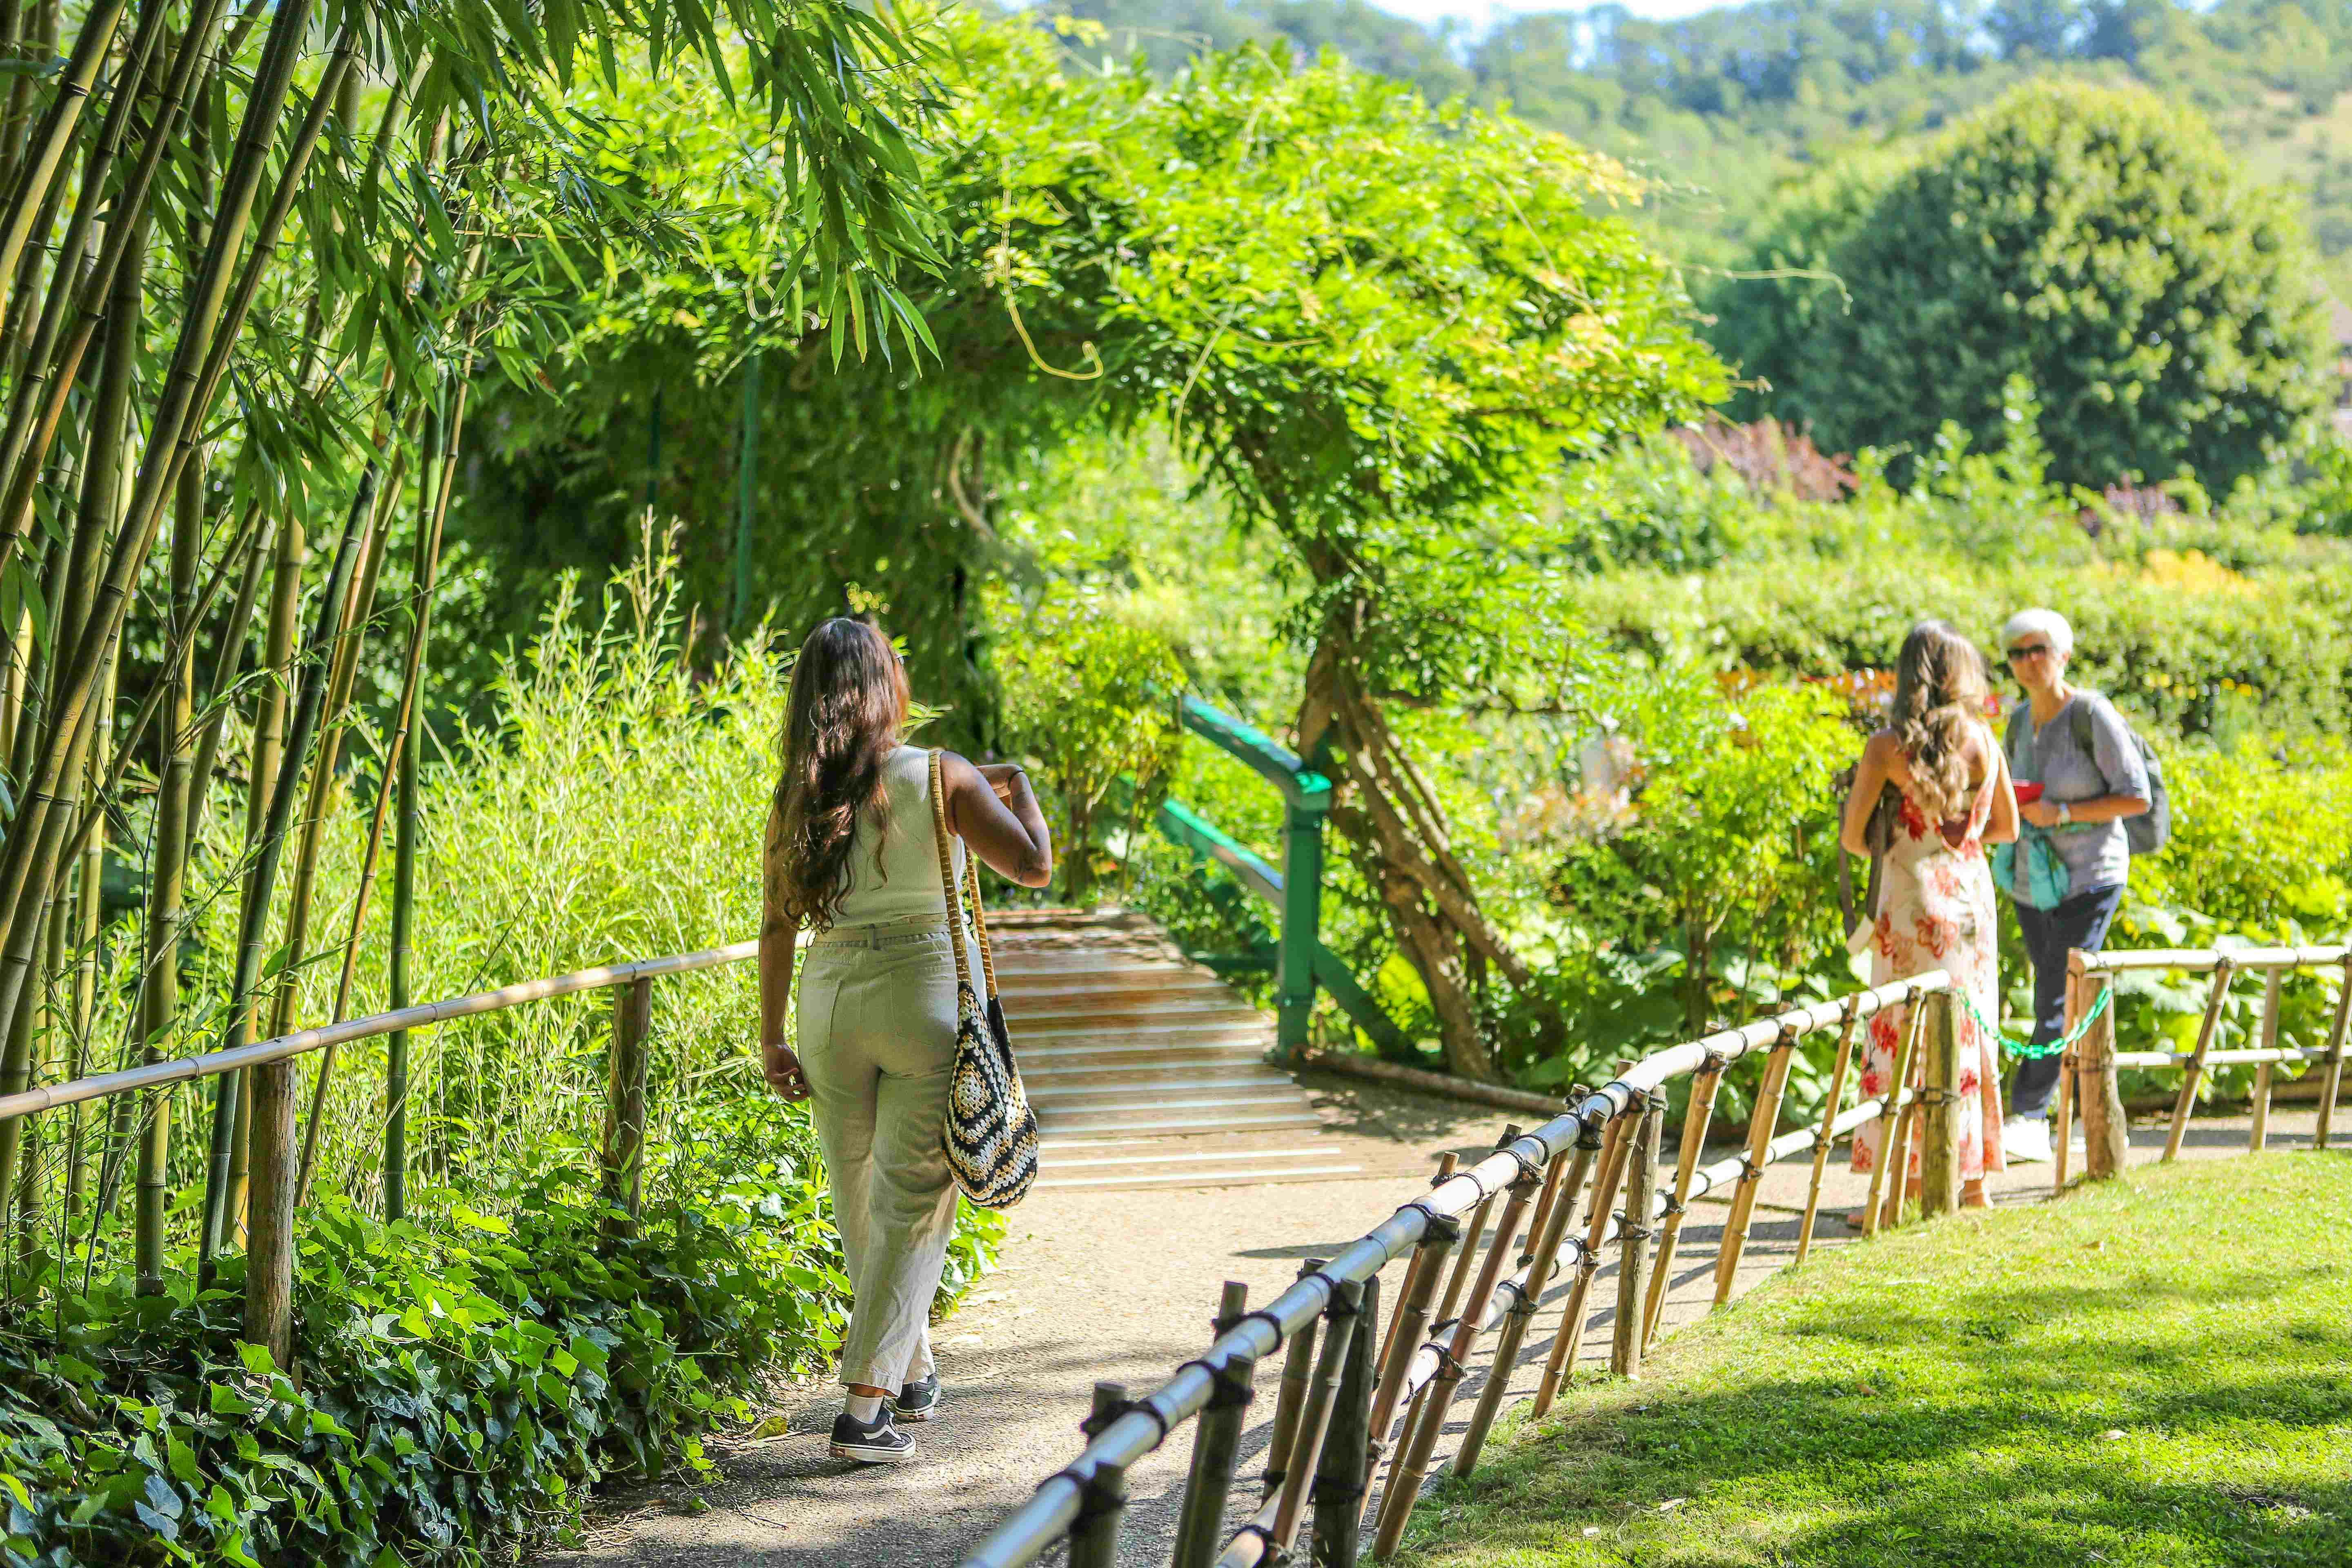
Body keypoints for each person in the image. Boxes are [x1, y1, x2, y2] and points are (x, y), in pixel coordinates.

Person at [758, 618, 1051, 1464]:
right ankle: (862, 1412)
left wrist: (771, 1035)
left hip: (829, 998)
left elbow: (777, 924)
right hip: (922, 994)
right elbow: (1034, 865)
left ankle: (910, 1370)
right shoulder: (944, 775)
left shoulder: (799, 794)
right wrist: (1018, 784)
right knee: (912, 1203)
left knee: (860, 1196)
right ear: (887, 686)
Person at [1840, 620, 2019, 1212]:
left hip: (1911, 902)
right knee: (1969, 1035)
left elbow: (1854, 840)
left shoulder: (1887, 748)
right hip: (1970, 903)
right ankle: (1972, 1183)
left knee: (1902, 1036)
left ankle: (1898, 1192)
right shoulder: (1986, 743)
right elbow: (2006, 828)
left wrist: (1901, 839)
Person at [1996, 608, 2150, 1163]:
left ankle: (2029, 1114)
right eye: (2017, 653)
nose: (2028, 662)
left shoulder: (2091, 714)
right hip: (2031, 881)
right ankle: (2093, 1114)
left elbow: (2137, 797)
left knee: (2056, 993)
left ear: (2064, 654)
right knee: (2061, 994)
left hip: (2091, 875)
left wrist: (2062, 813)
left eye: (2039, 650)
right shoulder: (2017, 722)